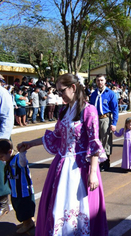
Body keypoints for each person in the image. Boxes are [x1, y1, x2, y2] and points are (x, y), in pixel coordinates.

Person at [17, 73, 109, 235]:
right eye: (58, 92)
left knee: (80, 210)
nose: (59, 95)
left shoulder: (89, 111)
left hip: (80, 168)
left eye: (61, 91)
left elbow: (94, 142)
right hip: (61, 167)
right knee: (57, 207)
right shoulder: (64, 111)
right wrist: (30, 144)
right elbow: (56, 136)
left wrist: (93, 172)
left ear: (73, 88)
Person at [0, 139, 35, 234]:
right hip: (15, 191)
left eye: (1, 156)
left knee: (24, 207)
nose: (1, 159)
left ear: (9, 152)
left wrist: (22, 152)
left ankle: (28, 223)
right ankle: (27, 222)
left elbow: (23, 162)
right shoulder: (8, 161)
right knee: (18, 207)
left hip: (23, 191)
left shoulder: (18, 159)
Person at [89, 74, 119, 171]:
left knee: (106, 140)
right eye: (98, 80)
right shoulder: (93, 94)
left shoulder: (110, 93)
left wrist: (114, 123)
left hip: (105, 119)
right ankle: (98, 160)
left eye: (101, 80)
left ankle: (106, 162)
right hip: (95, 120)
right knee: (96, 140)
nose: (100, 82)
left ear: (105, 81)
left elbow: (115, 109)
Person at [0, 79, 14, 219]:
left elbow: (7, 118)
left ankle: (3, 202)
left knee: (1, 171)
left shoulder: (3, 93)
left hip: (0, 138)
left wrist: (2, 141)